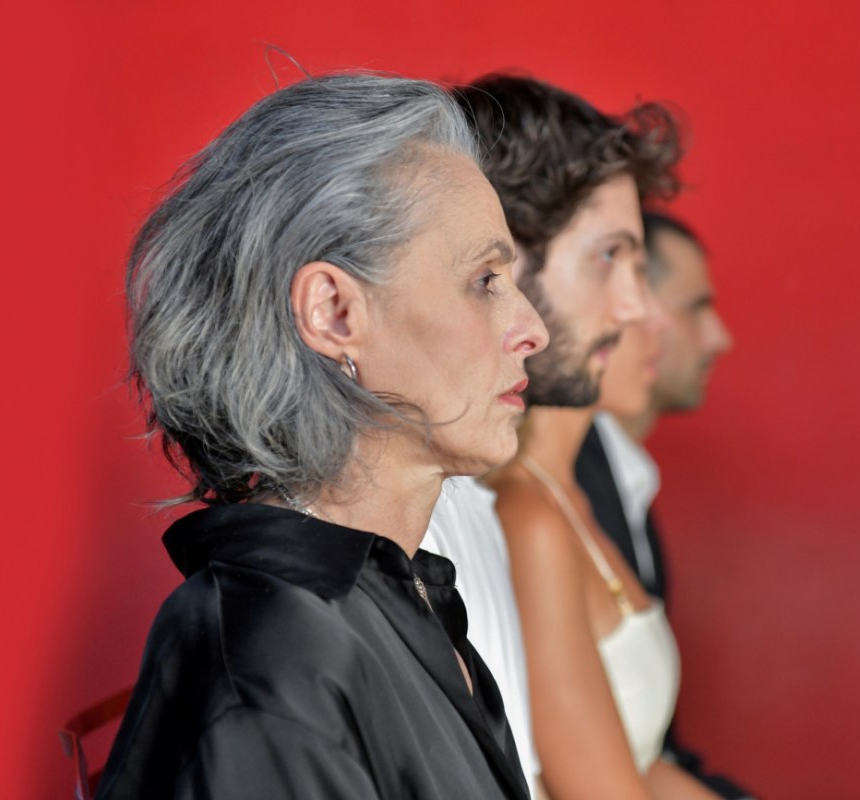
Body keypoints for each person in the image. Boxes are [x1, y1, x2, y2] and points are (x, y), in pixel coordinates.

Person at [96, 72, 548, 800]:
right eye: (485, 280)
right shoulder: (270, 658)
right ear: (333, 312)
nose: (533, 329)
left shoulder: (395, 595)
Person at [455, 74, 714, 800]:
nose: (639, 309)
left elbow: (647, 763)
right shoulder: (515, 510)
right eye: (609, 257)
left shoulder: (582, 486)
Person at [575, 211, 747, 799]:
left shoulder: (623, 481)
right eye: (696, 308)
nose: (719, 337)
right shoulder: (554, 494)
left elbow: (653, 748)